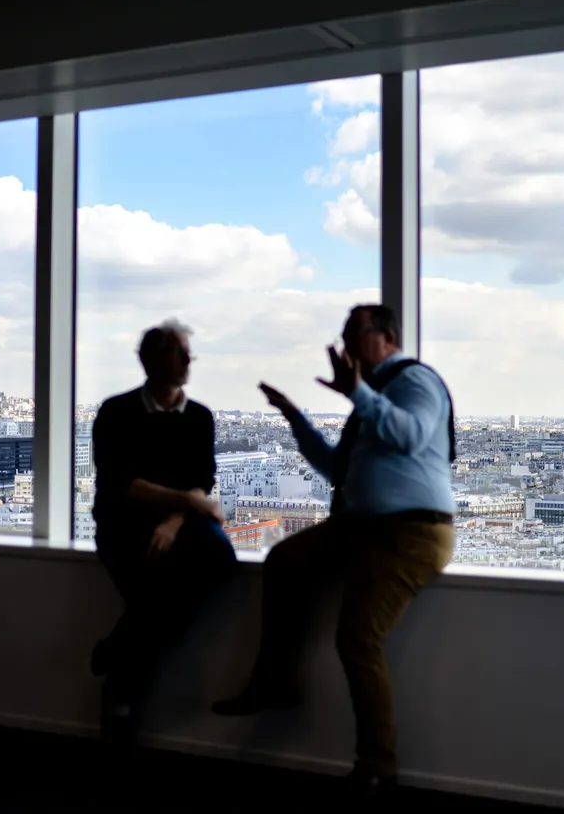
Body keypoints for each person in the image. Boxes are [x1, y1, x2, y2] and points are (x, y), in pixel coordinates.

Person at [213, 303, 456, 801]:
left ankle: (377, 766)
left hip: (410, 532)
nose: (346, 346)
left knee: (358, 638)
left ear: (387, 337)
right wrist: (294, 418)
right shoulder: (373, 399)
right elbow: (336, 470)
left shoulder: (415, 381)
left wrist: (358, 393)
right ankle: (275, 680)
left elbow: (411, 436)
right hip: (365, 527)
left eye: (354, 334)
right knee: (285, 561)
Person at [90, 319, 238, 746]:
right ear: (151, 359)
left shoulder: (200, 417)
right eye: (180, 353)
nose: (189, 361)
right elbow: (121, 485)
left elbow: (201, 481)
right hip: (125, 526)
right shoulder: (117, 413)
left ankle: (117, 656)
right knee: (157, 601)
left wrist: (175, 520)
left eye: (189, 354)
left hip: (179, 526)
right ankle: (121, 704)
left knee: (217, 562)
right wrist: (189, 503)